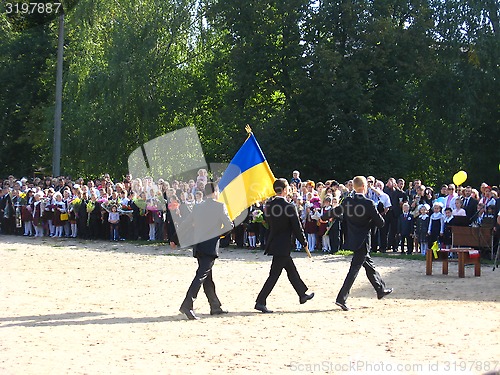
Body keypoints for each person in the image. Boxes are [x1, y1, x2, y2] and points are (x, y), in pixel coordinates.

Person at [326, 176, 392, 311]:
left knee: (368, 265)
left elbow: (335, 211)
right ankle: (341, 298)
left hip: (353, 238)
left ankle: (380, 289)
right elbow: (381, 223)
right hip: (363, 240)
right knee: (354, 269)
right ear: (364, 187)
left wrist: (323, 217)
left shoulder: (348, 201)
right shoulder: (368, 203)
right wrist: (372, 218)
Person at [255, 178, 314, 314]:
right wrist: (304, 242)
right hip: (283, 244)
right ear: (285, 189)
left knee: (290, 270)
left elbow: (269, 223)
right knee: (274, 275)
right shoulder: (289, 206)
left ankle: (302, 293)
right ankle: (260, 301)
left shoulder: (269, 205)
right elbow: (296, 227)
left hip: (275, 242)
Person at [178, 182, 233, 320]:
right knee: (202, 275)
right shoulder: (220, 206)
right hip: (210, 246)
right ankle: (187, 304)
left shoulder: (198, 206)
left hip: (199, 245)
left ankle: (215, 306)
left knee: (207, 277)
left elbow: (186, 223)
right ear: (215, 192)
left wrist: (175, 238)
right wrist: (218, 234)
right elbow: (229, 225)